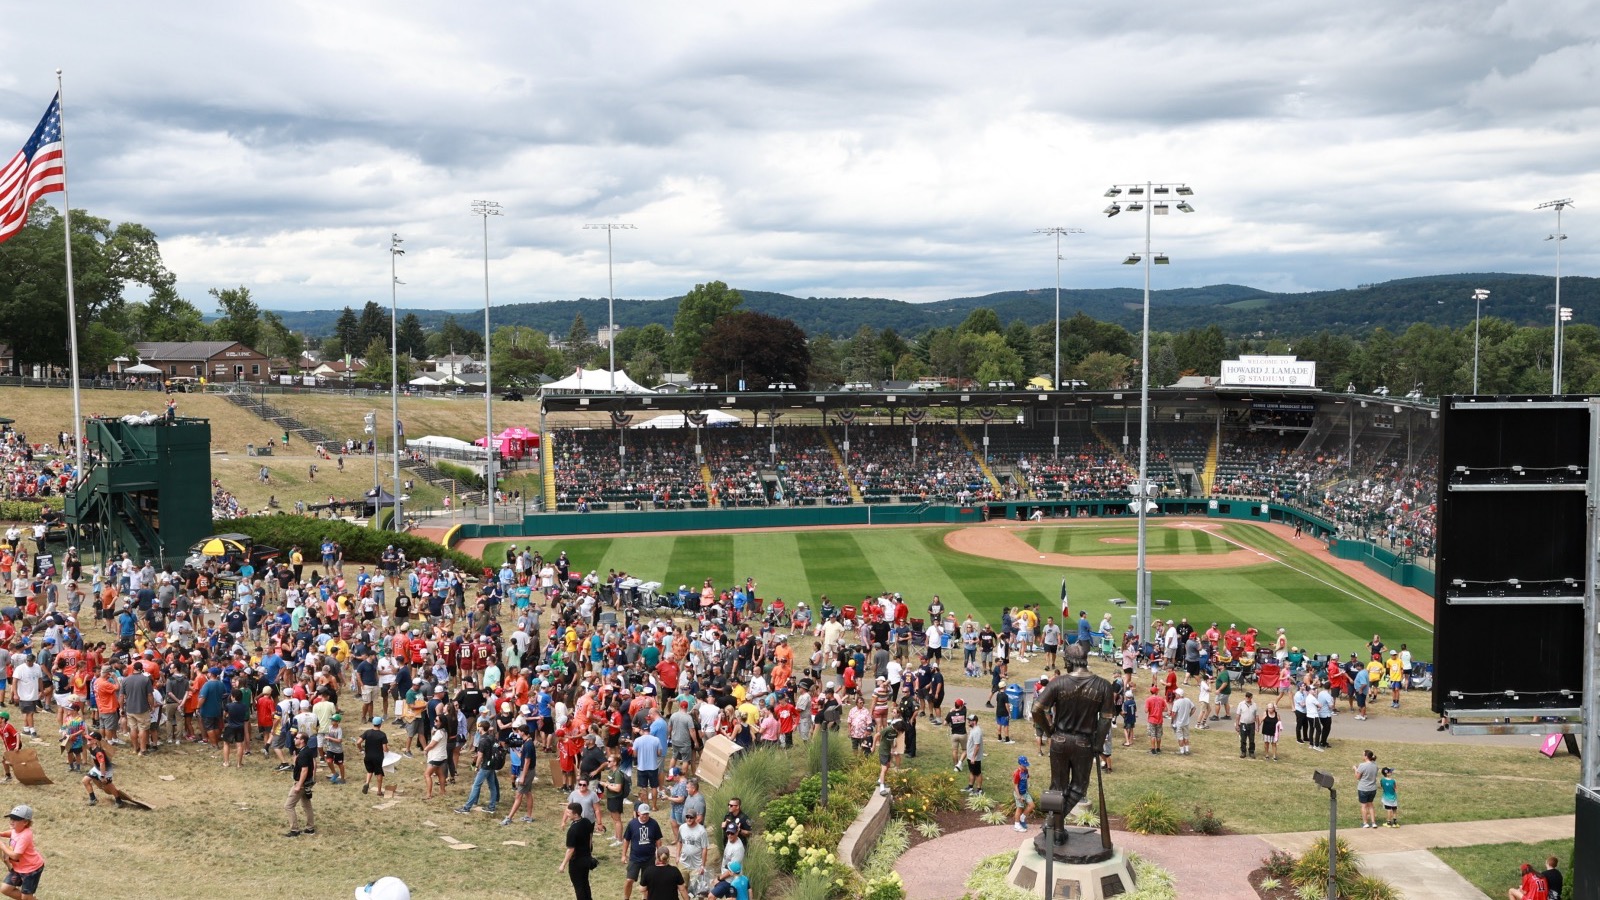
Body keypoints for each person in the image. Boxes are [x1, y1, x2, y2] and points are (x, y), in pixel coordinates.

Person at [1, 804, 44, 900]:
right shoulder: (17, 829)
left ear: (25, 822)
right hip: (19, 868)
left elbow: (16, 856)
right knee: (5, 889)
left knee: (26, 897)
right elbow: (12, 833)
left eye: (15, 819)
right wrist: (2, 834)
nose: (11, 821)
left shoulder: (25, 835)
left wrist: (2, 846)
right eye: (11, 818)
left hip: (31, 869)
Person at [622, 804, 664, 900]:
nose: (645, 816)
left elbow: (658, 840)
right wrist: (624, 855)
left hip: (649, 858)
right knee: (629, 880)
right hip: (635, 858)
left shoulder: (654, 824)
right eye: (643, 814)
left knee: (648, 881)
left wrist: (659, 856)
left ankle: (645, 898)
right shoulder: (632, 824)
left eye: (647, 814)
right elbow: (626, 840)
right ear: (638, 813)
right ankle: (626, 898)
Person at [558, 801, 596, 900]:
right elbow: (590, 837)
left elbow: (570, 849)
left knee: (579, 887)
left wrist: (563, 865)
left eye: (568, 813)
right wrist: (589, 853)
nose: (567, 814)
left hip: (577, 862)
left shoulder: (573, 830)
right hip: (586, 858)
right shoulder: (587, 822)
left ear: (575, 814)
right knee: (585, 884)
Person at [285, 731, 317, 837]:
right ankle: (310, 828)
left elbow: (304, 770)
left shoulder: (303, 753)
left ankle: (294, 830)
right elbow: (313, 764)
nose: (294, 739)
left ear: (302, 740)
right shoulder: (307, 751)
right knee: (307, 805)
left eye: (297, 738)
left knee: (288, 806)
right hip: (307, 782)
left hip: (301, 783)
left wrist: (299, 785)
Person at [361, 717, 391, 797]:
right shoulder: (382, 735)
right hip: (378, 758)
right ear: (380, 724)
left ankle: (367, 783)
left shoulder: (367, 732)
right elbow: (385, 749)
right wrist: (388, 751)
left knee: (369, 771)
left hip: (368, 756)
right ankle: (379, 791)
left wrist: (361, 749)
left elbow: (358, 742)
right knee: (379, 773)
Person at [1354, 749, 1380, 828]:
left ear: (1366, 756)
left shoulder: (1362, 765)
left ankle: (1365, 823)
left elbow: (1357, 777)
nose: (1362, 756)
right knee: (1371, 805)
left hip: (1363, 788)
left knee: (1364, 806)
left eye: (1363, 755)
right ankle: (1373, 822)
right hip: (1372, 789)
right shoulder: (1375, 765)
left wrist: (1355, 769)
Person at [1011, 755, 1035, 832]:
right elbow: (1015, 786)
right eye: (1024, 765)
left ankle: (1022, 818)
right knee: (1019, 808)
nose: (1025, 767)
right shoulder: (1017, 773)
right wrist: (1019, 796)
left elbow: (1027, 779)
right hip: (1019, 793)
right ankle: (1017, 825)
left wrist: (1027, 787)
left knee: (1032, 805)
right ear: (1020, 764)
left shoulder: (1026, 771)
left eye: (1026, 765)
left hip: (1025, 792)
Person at [1236, 691, 1258, 759]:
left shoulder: (1254, 705)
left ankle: (1251, 751)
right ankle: (1243, 751)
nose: (1247, 698)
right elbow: (1238, 715)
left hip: (1251, 724)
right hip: (1243, 724)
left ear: (1251, 697)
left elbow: (1256, 716)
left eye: (1249, 697)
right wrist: (1237, 724)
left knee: (1252, 739)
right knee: (1243, 739)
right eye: (1246, 696)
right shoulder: (1241, 704)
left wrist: (1257, 725)